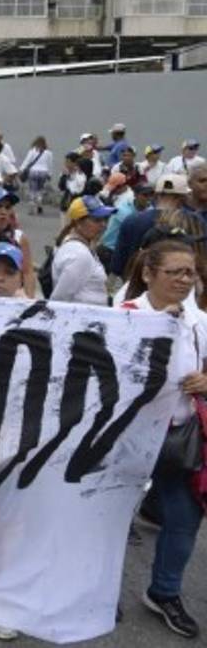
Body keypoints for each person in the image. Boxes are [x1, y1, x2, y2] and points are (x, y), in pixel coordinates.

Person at [119, 240, 207, 638]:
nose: (185, 280)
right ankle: (96, 588)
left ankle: (164, 592)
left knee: (185, 518)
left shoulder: (199, 322)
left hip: (180, 437)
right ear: (149, 274)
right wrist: (157, 331)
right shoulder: (123, 315)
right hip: (128, 437)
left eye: (190, 272)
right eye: (175, 272)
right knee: (110, 518)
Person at [111, 174, 193, 279]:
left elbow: (117, 265)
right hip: (178, 286)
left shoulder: (131, 220)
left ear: (157, 195)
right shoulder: (192, 222)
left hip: (136, 285)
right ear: (182, 197)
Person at [50, 196, 115, 306]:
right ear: (78, 223)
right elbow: (59, 301)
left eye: (105, 219)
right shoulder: (80, 255)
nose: (104, 225)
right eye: (97, 220)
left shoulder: (79, 246)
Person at [18, 136, 53, 215]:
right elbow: (50, 164)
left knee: (32, 190)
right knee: (40, 190)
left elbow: (27, 161)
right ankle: (39, 203)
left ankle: (31, 205)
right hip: (43, 172)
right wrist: (50, 174)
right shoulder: (49, 153)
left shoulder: (32, 151)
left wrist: (21, 170)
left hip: (33, 172)